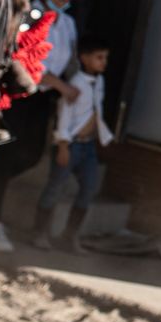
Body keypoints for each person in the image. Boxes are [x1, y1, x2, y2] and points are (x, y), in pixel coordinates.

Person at [0, 0, 81, 253]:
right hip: (19, 93)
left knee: (31, 155)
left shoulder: (68, 23)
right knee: (3, 155)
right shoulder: (30, 14)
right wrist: (59, 85)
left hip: (42, 99)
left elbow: (68, 62)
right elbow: (19, 56)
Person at [32, 35, 114, 253]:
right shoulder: (74, 84)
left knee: (88, 189)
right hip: (71, 144)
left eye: (105, 58)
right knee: (55, 188)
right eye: (98, 57)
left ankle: (70, 236)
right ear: (84, 58)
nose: (103, 62)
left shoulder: (100, 82)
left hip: (88, 146)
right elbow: (65, 115)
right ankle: (40, 233)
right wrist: (63, 145)